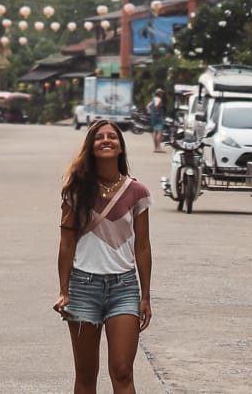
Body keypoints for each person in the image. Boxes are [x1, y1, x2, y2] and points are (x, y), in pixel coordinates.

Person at [53, 120, 152, 394]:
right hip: (83, 287)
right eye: (99, 137)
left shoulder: (137, 192)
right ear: (91, 147)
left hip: (124, 288)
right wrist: (64, 290)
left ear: (121, 147)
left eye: (112, 137)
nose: (106, 140)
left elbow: (142, 246)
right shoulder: (76, 190)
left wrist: (145, 296)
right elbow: (66, 242)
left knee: (122, 371)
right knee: (86, 374)